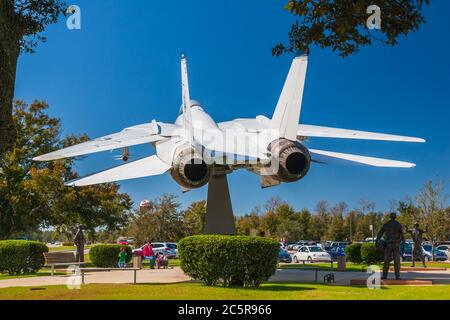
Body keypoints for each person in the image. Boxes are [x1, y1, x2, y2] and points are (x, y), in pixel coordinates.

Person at [375, 212, 406, 280]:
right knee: (396, 261)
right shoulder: (398, 224)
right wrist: (404, 245)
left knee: (386, 260)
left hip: (388, 244)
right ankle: (397, 277)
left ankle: (384, 276)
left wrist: (376, 241)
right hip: (395, 245)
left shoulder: (386, 224)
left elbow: (380, 233)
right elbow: (403, 236)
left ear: (390, 217)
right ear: (395, 217)